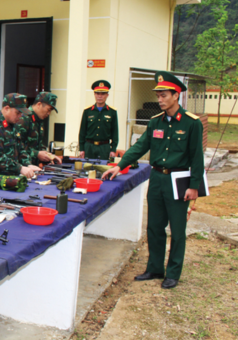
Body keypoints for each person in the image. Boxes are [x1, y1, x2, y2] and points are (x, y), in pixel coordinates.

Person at [102, 71, 204, 289]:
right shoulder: (155, 122)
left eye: (164, 95)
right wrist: (120, 166)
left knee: (177, 230)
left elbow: (197, 157)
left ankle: (173, 273)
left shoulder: (191, 123)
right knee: (155, 227)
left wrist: (194, 187)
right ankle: (155, 268)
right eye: (158, 96)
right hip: (157, 178)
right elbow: (141, 147)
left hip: (178, 180)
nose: (159, 100)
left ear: (176, 95)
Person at [0, 93, 41, 187]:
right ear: (6, 108)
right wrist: (20, 168)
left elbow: (20, 149)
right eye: (17, 113)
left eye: (21, 113)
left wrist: (28, 164)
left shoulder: (13, 126)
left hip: (10, 180)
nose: (20, 116)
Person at [18, 92, 62, 165]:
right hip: (22, 167)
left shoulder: (39, 120)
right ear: (39, 105)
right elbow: (16, 146)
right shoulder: (24, 118)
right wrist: (37, 154)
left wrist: (49, 156)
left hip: (33, 167)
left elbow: (38, 145)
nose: (49, 113)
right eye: (48, 109)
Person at [78, 80, 119, 160]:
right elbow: (82, 131)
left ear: (107, 95)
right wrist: (82, 148)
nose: (100, 96)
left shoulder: (112, 112)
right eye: (97, 93)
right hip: (89, 147)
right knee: (88, 169)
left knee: (103, 170)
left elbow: (115, 132)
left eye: (103, 94)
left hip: (104, 148)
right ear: (94, 94)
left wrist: (113, 149)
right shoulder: (88, 111)